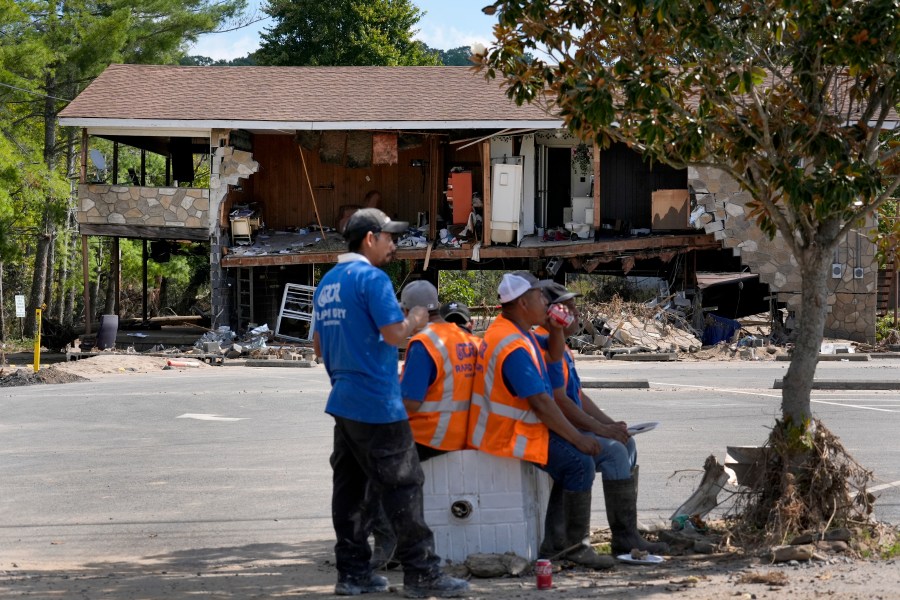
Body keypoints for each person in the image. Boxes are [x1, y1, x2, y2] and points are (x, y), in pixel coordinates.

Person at [313, 207, 469, 598]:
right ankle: (423, 574)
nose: (394, 245)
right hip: (378, 402)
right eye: (389, 238)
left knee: (351, 490)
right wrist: (415, 319)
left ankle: (352, 574)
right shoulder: (373, 278)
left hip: (343, 401)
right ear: (370, 239)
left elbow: (317, 346)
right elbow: (394, 335)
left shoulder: (328, 282)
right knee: (405, 485)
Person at [467, 271, 613, 569]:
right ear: (523, 302)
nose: (545, 303)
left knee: (574, 463)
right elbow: (543, 403)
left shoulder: (518, 331)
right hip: (510, 431)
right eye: (539, 297)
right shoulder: (513, 344)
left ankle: (556, 544)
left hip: (521, 425)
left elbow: (553, 355)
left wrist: (555, 328)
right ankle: (572, 546)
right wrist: (578, 437)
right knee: (577, 462)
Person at [542, 282, 669, 557]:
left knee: (626, 444)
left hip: (569, 428)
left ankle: (627, 531)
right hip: (554, 432)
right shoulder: (548, 347)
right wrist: (602, 429)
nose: (576, 313)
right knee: (613, 452)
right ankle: (621, 538)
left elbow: (578, 395)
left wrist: (612, 425)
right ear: (552, 314)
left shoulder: (562, 348)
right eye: (569, 308)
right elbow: (560, 401)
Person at [371, 282, 482, 570]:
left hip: (433, 435)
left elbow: (411, 403)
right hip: (466, 432)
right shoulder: (467, 338)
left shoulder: (424, 343)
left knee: (372, 463)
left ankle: (388, 545)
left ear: (408, 311)